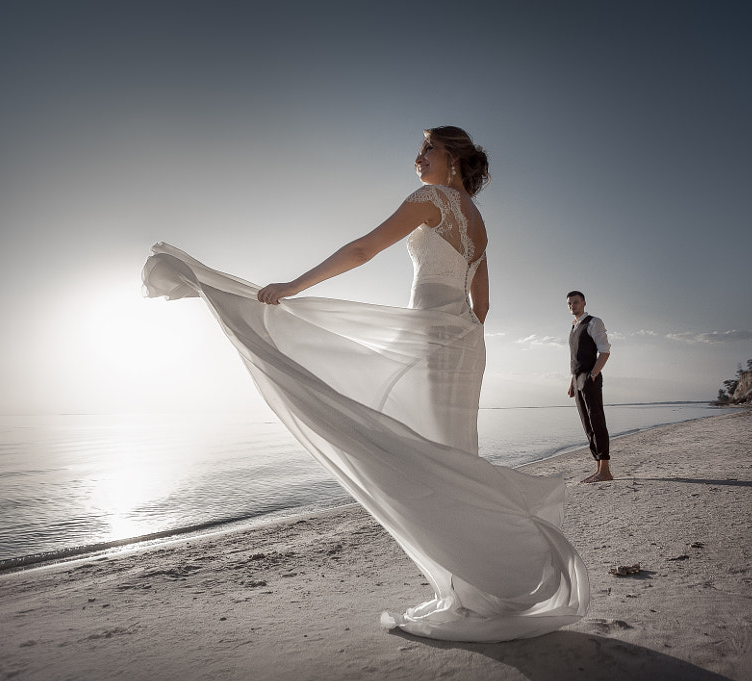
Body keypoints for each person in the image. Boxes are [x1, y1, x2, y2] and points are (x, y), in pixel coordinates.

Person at [142, 126, 589, 642]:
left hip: (430, 337)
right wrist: (451, 326)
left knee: (422, 456)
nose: (418, 157)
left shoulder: (430, 199)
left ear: (452, 157)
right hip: (463, 343)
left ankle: (478, 584)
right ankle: (477, 582)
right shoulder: (478, 221)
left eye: (427, 149)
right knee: (452, 455)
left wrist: (292, 286)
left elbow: (361, 251)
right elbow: (482, 307)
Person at [566, 290, 612, 483]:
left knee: (596, 421)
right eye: (569, 304)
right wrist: (572, 383)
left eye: (575, 302)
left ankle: (606, 470)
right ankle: (598, 468)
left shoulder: (594, 322)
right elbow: (575, 358)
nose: (572, 306)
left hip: (588, 377)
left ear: (584, 303)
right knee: (587, 425)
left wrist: (592, 375)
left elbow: (605, 351)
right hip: (577, 380)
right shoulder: (574, 326)